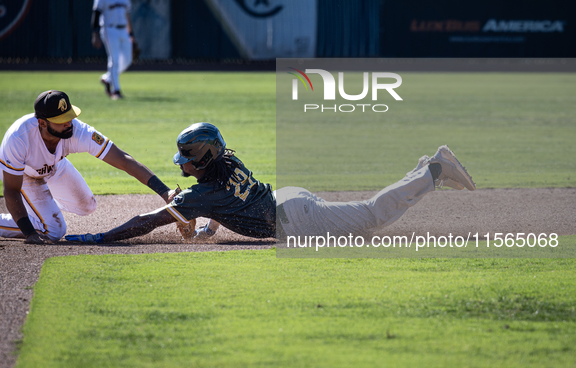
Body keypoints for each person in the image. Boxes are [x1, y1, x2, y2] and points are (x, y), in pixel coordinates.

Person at [65, 123, 475, 245]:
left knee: (371, 218)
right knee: (365, 216)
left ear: (204, 158)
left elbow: (146, 222)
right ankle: (424, 168)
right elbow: (222, 204)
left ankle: (435, 170)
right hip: (289, 201)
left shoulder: (200, 190)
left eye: (188, 161)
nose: (183, 168)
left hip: (297, 220)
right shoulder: (226, 161)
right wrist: (206, 225)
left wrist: (99, 237)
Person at [0, 90, 178, 244]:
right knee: (53, 231)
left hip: (55, 166)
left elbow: (123, 160)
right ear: (42, 123)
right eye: (61, 120)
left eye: (69, 116)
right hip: (24, 175)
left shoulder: (77, 130)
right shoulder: (19, 138)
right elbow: (11, 190)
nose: (68, 123)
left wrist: (165, 192)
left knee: (87, 205)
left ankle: (40, 208)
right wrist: (29, 233)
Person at [91, 0, 136, 100]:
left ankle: (107, 78)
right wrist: (95, 34)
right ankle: (116, 91)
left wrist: (131, 34)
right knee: (114, 59)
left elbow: (127, 16)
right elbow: (95, 16)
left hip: (123, 30)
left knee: (127, 59)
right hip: (109, 30)